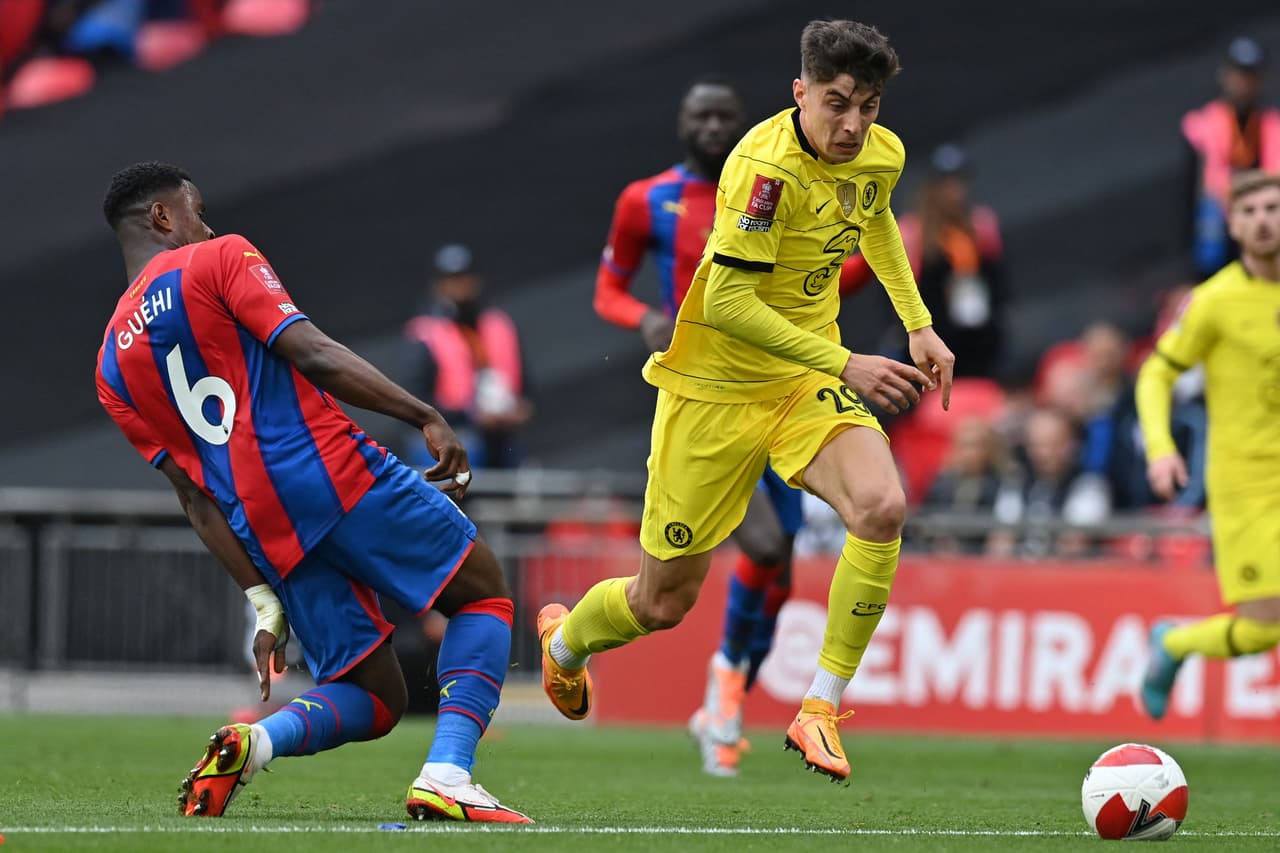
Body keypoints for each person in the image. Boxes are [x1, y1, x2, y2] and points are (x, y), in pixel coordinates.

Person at [540, 19, 954, 785]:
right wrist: (850, 360)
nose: (854, 123)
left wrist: (918, 323)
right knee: (661, 602)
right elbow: (727, 302)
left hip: (802, 383)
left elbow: (877, 216)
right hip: (715, 391)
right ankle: (566, 644)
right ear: (800, 93)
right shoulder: (761, 170)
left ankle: (819, 707)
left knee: (881, 506)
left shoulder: (879, 153)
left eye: (867, 105)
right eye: (836, 103)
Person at [94, 162, 529, 823]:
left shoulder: (109, 368)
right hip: (326, 468)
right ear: (162, 217)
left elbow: (193, 496)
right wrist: (424, 414)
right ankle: (448, 773)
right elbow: (313, 352)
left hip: (260, 520)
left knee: (375, 695)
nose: (205, 223)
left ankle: (256, 741)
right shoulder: (218, 257)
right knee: (483, 588)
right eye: (196, 210)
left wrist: (263, 600)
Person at [593, 77, 801, 777]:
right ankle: (721, 696)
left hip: (785, 384)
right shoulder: (646, 199)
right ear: (683, 124)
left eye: (726, 116)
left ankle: (726, 695)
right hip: (706, 393)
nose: (714, 126)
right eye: (701, 116)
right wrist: (644, 320)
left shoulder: (771, 189)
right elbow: (608, 291)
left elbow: (837, 268)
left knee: (782, 566)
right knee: (763, 545)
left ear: (743, 125)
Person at [1137, 169, 1280, 720]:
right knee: (1265, 629)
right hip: (1247, 483)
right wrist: (1161, 447)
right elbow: (1155, 374)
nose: (1263, 220)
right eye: (1250, 212)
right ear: (1233, 225)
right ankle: (1173, 644)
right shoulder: (1213, 301)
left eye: (1272, 208)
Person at [841, 142, 1006, 378]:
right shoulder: (911, 234)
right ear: (931, 188)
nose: (955, 191)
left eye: (959, 182)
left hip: (980, 342)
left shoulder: (981, 226)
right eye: (946, 184)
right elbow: (895, 297)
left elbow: (997, 283)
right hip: (933, 343)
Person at [403, 243, 532, 471]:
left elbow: (527, 388)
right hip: (456, 441)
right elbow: (414, 401)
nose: (460, 286)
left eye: (465, 277)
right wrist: (470, 415)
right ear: (438, 286)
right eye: (452, 280)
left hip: (504, 439)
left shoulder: (499, 325)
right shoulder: (425, 332)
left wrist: (522, 408)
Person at [1183, 36, 1280, 277]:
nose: (1245, 83)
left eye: (1251, 75)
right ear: (1225, 74)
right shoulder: (1202, 126)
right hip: (1218, 234)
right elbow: (1188, 197)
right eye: (1239, 74)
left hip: (1263, 229)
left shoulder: (1272, 126)